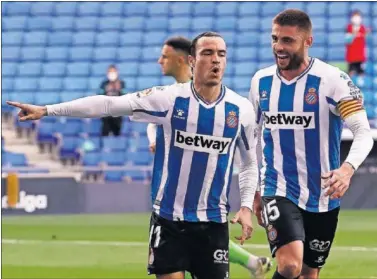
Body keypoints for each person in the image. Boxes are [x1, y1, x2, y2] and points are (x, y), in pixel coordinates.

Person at [8, 32, 258, 279]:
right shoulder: (170, 99)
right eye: (208, 53)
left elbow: (249, 163)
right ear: (192, 60)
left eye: (221, 54)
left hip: (213, 222)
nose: (216, 60)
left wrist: (246, 206)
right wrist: (47, 110)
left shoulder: (240, 110)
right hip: (169, 220)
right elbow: (108, 104)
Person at [249, 9, 374, 279]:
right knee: (290, 265)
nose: (278, 47)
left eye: (287, 41)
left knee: (308, 273)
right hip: (278, 186)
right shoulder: (261, 81)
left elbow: (363, 131)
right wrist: (255, 189)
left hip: (322, 194)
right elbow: (253, 138)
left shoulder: (333, 81)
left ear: (308, 42)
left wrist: (347, 169)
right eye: (275, 39)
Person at [148, 36, 272, 279]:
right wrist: (153, 138)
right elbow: (155, 119)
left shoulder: (197, 90)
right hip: (176, 201)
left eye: (165, 56)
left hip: (206, 192)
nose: (160, 60)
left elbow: (245, 154)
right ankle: (252, 262)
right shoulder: (171, 95)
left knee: (199, 231)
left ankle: (251, 262)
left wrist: (248, 196)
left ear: (184, 60)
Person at [99, 65, 126, 136]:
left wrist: (119, 89)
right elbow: (99, 95)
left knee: (117, 132)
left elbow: (125, 95)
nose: (112, 73)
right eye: (110, 72)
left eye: (113, 71)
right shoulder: (104, 84)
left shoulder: (121, 83)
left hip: (117, 112)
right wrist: (106, 90)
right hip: (106, 113)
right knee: (105, 132)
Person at [345, 10, 369, 77]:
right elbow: (347, 40)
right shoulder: (349, 27)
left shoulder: (363, 28)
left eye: (358, 16)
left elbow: (365, 39)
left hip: (360, 56)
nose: (356, 18)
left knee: (361, 74)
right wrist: (353, 34)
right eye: (355, 16)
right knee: (350, 74)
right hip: (351, 56)